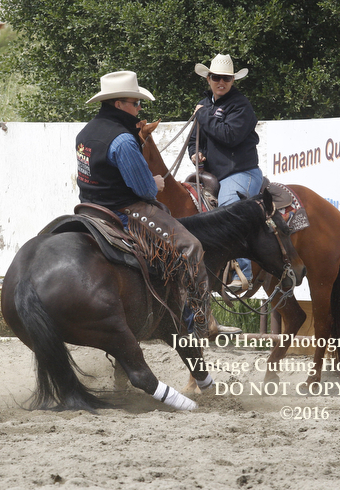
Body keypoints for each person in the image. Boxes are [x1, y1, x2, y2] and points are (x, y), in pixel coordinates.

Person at [76, 70, 210, 334]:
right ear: (119, 104)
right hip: (125, 211)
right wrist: (155, 183)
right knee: (191, 247)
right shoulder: (123, 140)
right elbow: (145, 190)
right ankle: (202, 323)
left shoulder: (84, 133)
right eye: (136, 103)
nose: (139, 108)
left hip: (89, 211)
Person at [188, 54, 262, 292]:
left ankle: (242, 272)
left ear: (232, 81)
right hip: (213, 176)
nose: (221, 82)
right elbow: (194, 140)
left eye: (226, 78)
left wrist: (203, 115)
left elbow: (230, 136)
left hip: (241, 173)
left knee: (230, 206)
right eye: (216, 77)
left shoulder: (241, 106)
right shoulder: (205, 104)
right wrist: (195, 153)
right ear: (208, 79)